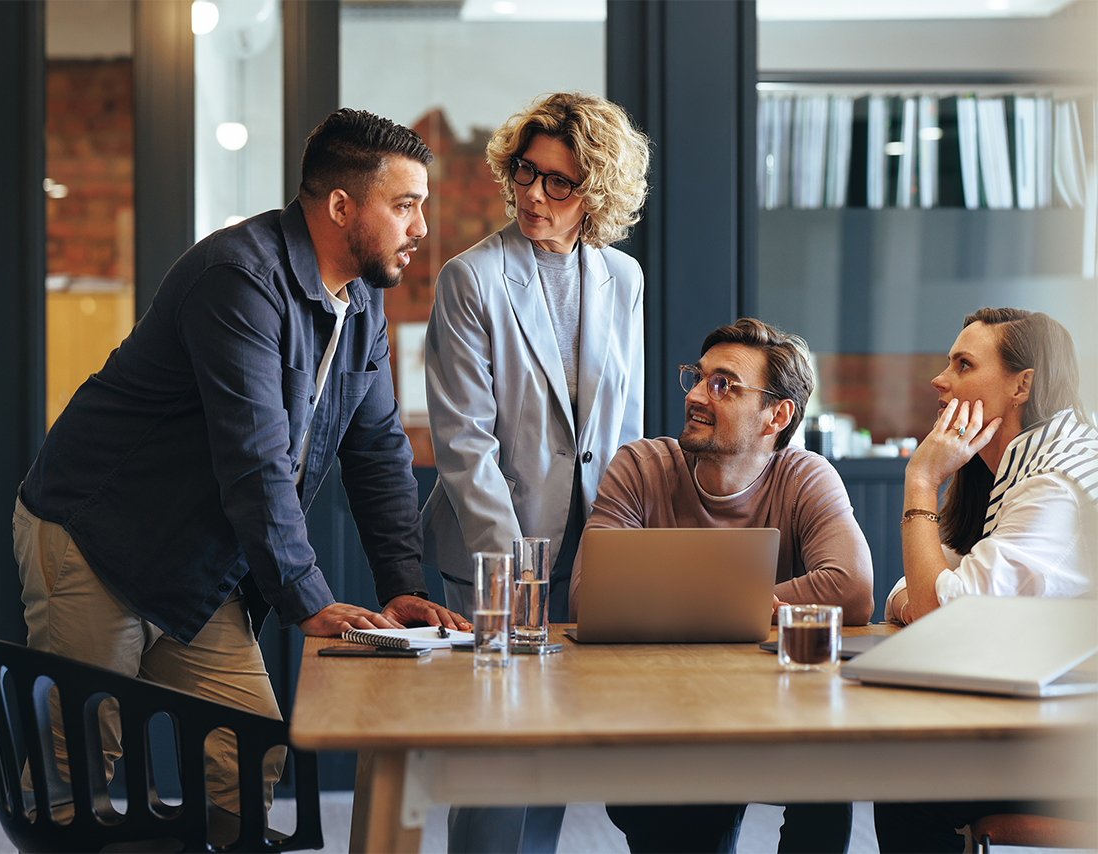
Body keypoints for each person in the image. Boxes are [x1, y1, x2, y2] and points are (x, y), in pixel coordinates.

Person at [12, 108, 468, 821]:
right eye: (405, 206)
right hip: (97, 538)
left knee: (247, 749)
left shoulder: (362, 306)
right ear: (342, 206)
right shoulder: (239, 279)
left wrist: (402, 588)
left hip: (200, 557)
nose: (420, 230)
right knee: (78, 765)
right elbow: (254, 459)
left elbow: (377, 450)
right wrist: (309, 599)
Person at [422, 92, 651, 854]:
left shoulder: (623, 278)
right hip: (494, 554)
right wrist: (512, 577)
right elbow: (463, 444)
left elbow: (626, 428)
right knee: (495, 757)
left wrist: (622, 543)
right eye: (526, 172)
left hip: (589, 551)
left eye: (560, 182)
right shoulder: (470, 279)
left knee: (547, 748)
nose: (534, 195)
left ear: (599, 194)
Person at [574, 318, 874, 854]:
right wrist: (763, 606)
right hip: (666, 714)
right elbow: (590, 594)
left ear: (776, 416)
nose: (695, 394)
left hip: (779, 709)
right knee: (676, 817)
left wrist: (709, 603)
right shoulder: (641, 466)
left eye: (724, 385)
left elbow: (851, 588)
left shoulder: (805, 475)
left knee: (831, 774)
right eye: (698, 377)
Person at [874, 307, 1098, 853]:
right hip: (1047, 720)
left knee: (903, 781)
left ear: (1022, 385)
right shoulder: (1012, 471)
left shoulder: (1053, 487)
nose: (939, 379)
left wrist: (922, 479)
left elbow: (936, 613)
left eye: (963, 364)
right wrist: (926, 596)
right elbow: (914, 594)